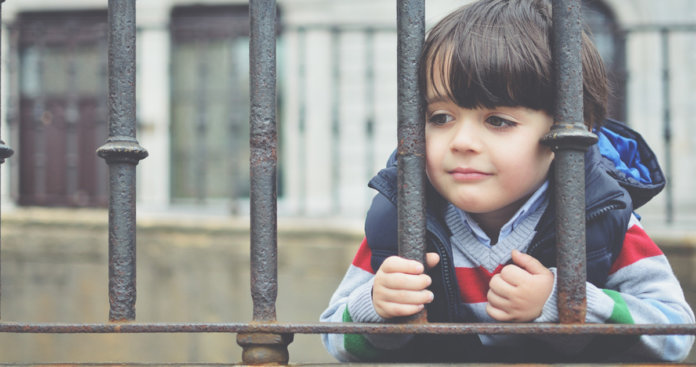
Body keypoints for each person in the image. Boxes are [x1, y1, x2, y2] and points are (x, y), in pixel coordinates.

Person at [320, 0, 694, 363]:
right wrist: (374, 307)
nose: (461, 142)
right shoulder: (401, 217)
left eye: (498, 121)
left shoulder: (600, 214)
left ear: (566, 134)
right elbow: (332, 336)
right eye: (440, 117)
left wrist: (568, 302)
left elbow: (675, 335)